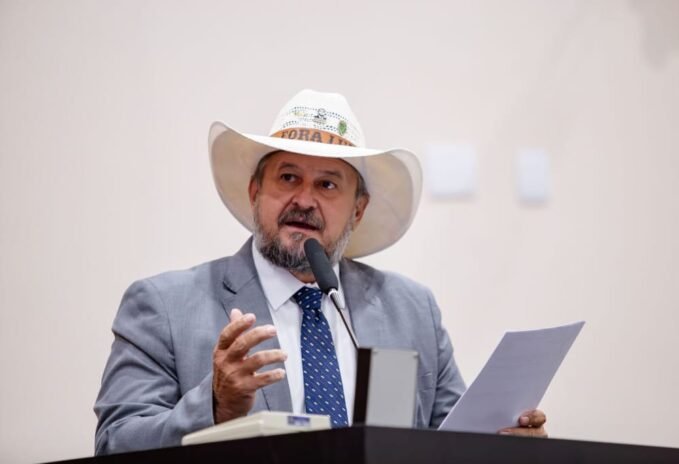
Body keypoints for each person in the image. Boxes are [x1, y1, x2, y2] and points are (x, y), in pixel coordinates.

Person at [94, 89, 547, 455]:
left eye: (327, 184)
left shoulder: (411, 311)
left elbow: (453, 444)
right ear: (255, 192)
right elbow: (114, 444)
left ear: (358, 209)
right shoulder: (165, 306)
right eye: (288, 177)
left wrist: (508, 445)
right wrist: (214, 407)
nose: (305, 200)